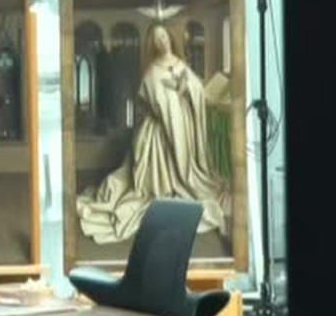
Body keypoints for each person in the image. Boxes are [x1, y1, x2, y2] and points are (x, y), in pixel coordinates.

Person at [76, 23, 229, 244]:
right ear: (153, 44)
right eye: (157, 39)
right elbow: (157, 104)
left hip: (182, 129)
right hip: (158, 134)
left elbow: (197, 90)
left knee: (190, 174)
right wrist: (172, 101)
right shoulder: (152, 72)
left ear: (170, 38)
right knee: (147, 180)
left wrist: (186, 88)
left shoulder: (181, 65)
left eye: (164, 36)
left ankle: (185, 178)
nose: (161, 41)